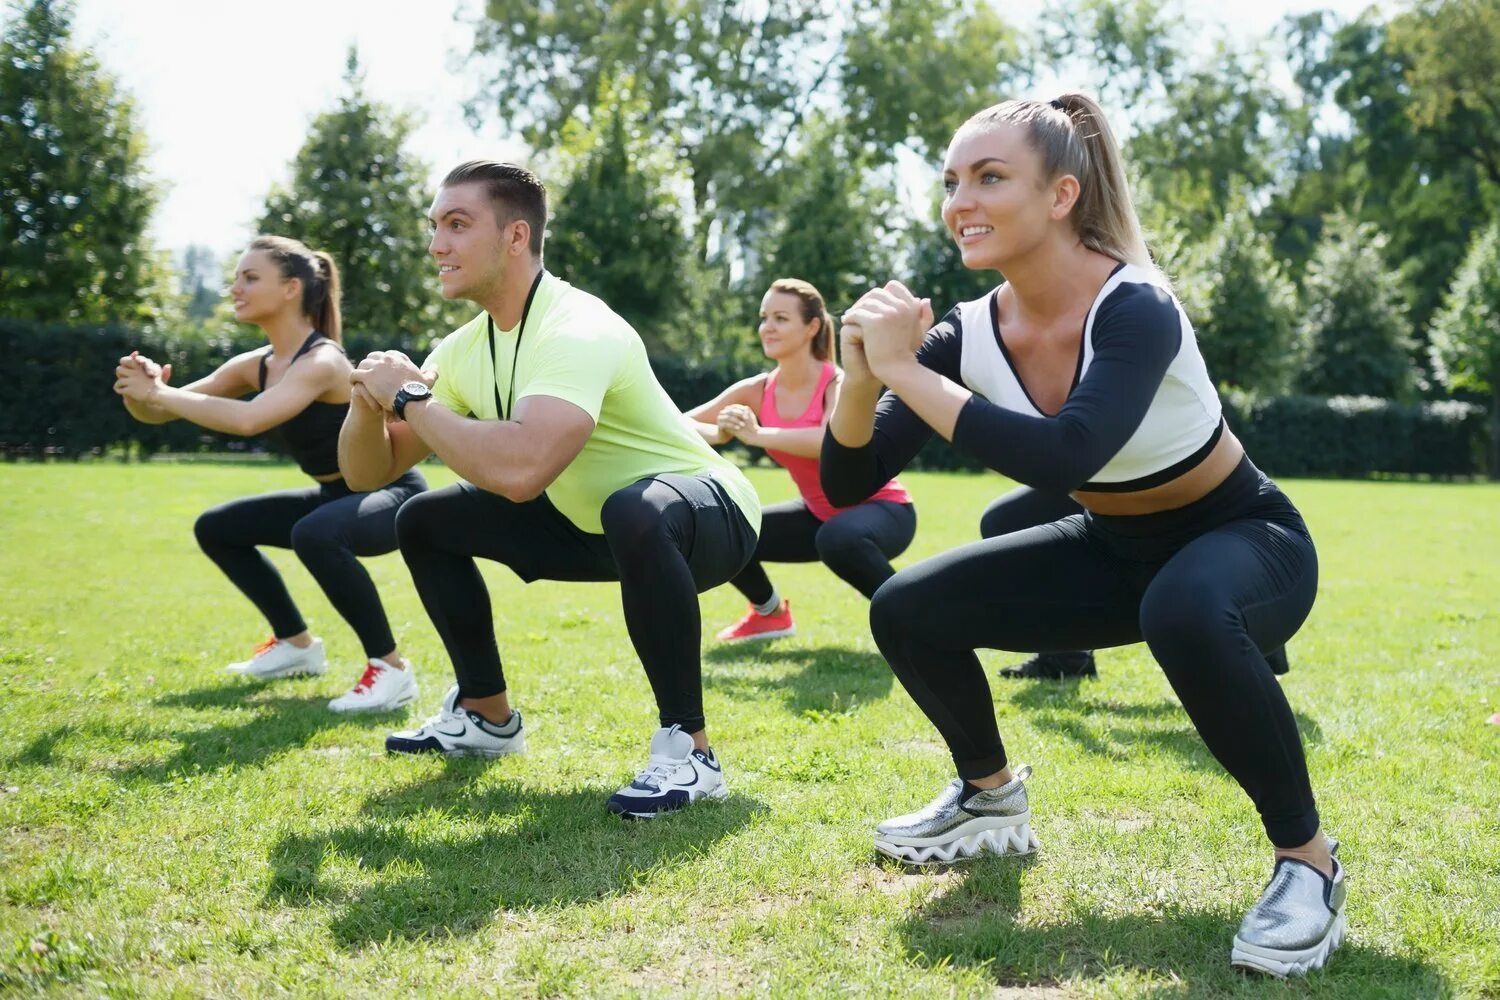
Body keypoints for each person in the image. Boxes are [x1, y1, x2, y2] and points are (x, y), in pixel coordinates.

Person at [823, 94, 1343, 977]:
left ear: (1062, 195)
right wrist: (861, 374)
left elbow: (1069, 450)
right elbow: (846, 481)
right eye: (952, 181)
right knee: (908, 608)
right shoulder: (964, 331)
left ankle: (1310, 865)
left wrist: (909, 372)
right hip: (1114, 549)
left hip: (1246, 536)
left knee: (1183, 609)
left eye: (991, 178)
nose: (961, 202)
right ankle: (989, 799)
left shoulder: (1136, 304)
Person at [339, 161, 761, 819]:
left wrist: (411, 395)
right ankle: (486, 716)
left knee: (634, 511)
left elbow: (521, 471)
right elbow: (368, 475)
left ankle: (691, 754)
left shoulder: (577, 326)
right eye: (434, 227)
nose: (436, 246)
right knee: (424, 519)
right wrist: (369, 405)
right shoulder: (461, 349)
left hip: (710, 516)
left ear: (515, 237)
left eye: (457, 224)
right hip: (594, 522)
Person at [113, 236, 427, 713]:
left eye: (250, 277)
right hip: (333, 495)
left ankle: (391, 670)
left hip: (392, 494)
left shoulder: (322, 362)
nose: (235, 287)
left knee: (314, 533)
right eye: (237, 277)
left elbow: (249, 420)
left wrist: (158, 394)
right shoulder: (256, 364)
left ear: (290, 289)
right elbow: (161, 414)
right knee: (218, 528)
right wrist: (144, 391)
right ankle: (296, 646)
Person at [686, 278, 915, 641]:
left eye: (780, 318)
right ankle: (769, 613)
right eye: (764, 318)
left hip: (884, 511)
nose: (767, 327)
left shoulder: (837, 383)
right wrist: (720, 432)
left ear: (811, 327)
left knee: (837, 539)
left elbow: (832, 440)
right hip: (819, 516)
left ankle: (916, 618)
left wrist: (757, 435)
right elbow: (681, 424)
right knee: (724, 530)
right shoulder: (757, 389)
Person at [982, 488, 1291, 680]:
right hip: (1095, 462)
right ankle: (1066, 656)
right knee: (1004, 519)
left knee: (1170, 554)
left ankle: (1253, 640)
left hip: (1152, 462)